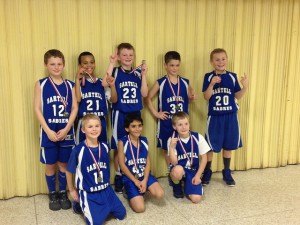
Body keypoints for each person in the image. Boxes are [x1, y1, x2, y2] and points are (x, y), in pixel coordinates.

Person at [34, 49, 78, 211]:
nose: (56, 67)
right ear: (46, 65)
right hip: (49, 132)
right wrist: (47, 130)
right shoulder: (41, 84)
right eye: (52, 64)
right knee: (50, 164)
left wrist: (67, 128)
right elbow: (37, 109)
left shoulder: (70, 85)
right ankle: (52, 194)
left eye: (59, 64)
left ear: (64, 65)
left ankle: (62, 192)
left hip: (65, 131)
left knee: (64, 165)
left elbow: (74, 108)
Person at [102, 43, 148, 193]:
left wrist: (144, 75)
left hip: (135, 113)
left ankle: (134, 172)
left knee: (134, 143)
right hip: (120, 113)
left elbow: (145, 94)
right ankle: (118, 175)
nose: (128, 57)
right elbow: (104, 83)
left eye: (131, 55)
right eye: (124, 55)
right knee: (118, 146)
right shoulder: (115, 70)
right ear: (119, 57)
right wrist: (111, 63)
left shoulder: (137, 73)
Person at [66, 114, 126, 224]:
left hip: (106, 189)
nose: (94, 129)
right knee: (95, 223)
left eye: (97, 126)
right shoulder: (78, 150)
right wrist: (72, 190)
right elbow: (69, 171)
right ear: (83, 130)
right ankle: (79, 204)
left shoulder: (104, 146)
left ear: (101, 128)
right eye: (90, 127)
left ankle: (102, 208)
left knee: (122, 214)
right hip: (89, 192)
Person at [202, 48, 248, 186]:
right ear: (212, 62)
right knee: (210, 146)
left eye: (223, 59)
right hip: (215, 116)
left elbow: (237, 96)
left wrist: (245, 87)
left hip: (230, 116)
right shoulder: (208, 76)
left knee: (228, 145)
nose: (220, 62)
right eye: (217, 59)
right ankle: (207, 170)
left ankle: (226, 171)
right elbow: (206, 96)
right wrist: (212, 84)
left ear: (227, 60)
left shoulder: (232, 76)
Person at [146, 51, 196, 180]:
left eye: (177, 65)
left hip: (181, 124)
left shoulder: (185, 82)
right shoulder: (161, 82)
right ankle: (172, 173)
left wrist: (192, 96)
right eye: (172, 65)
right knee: (167, 148)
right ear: (165, 65)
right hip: (167, 123)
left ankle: (182, 172)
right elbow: (147, 98)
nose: (175, 68)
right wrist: (156, 113)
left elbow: (190, 97)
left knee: (181, 146)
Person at [118, 114, 164, 212]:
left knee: (160, 194)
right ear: (127, 128)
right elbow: (122, 165)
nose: (137, 129)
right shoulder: (123, 142)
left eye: (139, 125)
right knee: (140, 208)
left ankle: (143, 187)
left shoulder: (144, 140)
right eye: (133, 126)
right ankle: (128, 191)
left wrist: (145, 180)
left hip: (143, 175)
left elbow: (148, 163)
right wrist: (135, 181)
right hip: (130, 178)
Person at [168, 112, 210, 202]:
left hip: (193, 170)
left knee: (196, 199)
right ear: (174, 127)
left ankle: (188, 184)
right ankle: (176, 185)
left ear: (189, 124)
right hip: (180, 169)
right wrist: (171, 148)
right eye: (180, 125)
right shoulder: (172, 140)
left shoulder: (197, 137)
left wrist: (198, 176)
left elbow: (204, 158)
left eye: (186, 124)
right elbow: (174, 163)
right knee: (177, 170)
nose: (184, 127)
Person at [75, 51, 109, 144]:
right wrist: (77, 79)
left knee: (102, 152)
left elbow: (112, 99)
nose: (89, 65)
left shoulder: (102, 83)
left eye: (92, 62)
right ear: (79, 66)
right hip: (84, 122)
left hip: (99, 121)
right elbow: (78, 99)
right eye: (85, 63)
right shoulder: (77, 84)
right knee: (82, 153)